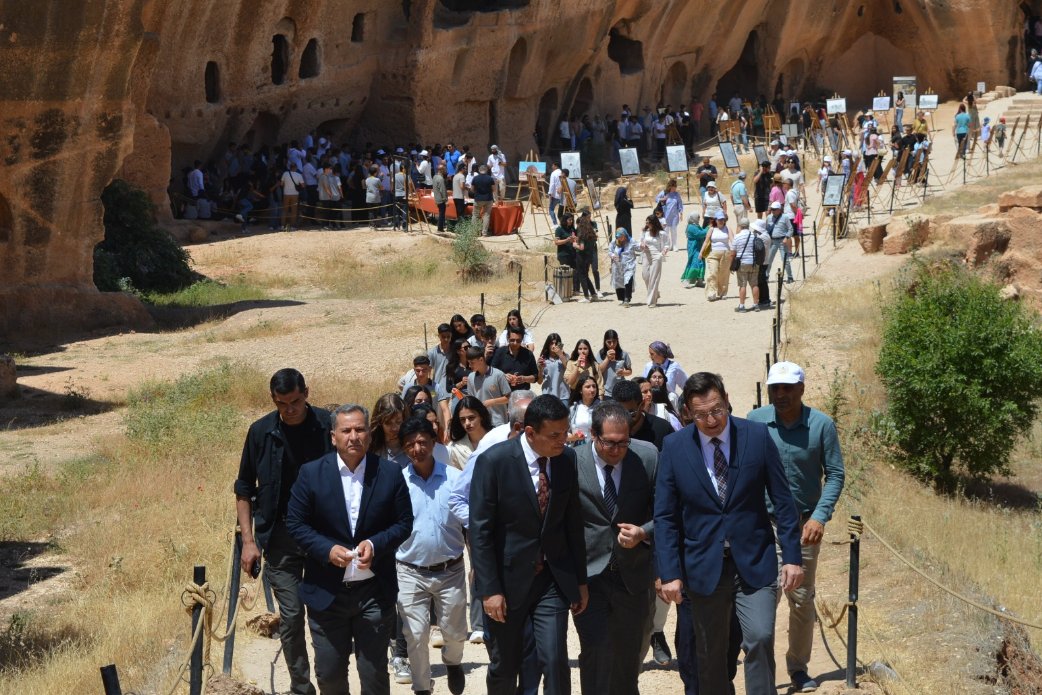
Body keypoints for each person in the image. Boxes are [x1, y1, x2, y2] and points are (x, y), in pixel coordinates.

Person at [654, 372, 804, 695]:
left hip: (755, 560)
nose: (711, 420)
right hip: (703, 567)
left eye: (717, 410)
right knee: (710, 654)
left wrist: (793, 557)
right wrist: (669, 573)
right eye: (701, 415)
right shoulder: (675, 447)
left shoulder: (756, 437)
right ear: (687, 413)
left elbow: (783, 501)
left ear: (726, 399)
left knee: (760, 637)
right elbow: (665, 517)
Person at [285, 403, 414, 695]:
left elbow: (404, 523)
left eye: (359, 429)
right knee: (329, 675)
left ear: (369, 433)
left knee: (374, 675)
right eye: (346, 430)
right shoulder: (311, 474)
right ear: (334, 437)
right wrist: (326, 549)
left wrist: (375, 544)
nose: (353, 436)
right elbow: (295, 523)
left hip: (374, 592)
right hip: (326, 593)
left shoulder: (390, 473)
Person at [470, 395, 589, 695]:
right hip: (506, 583)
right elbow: (480, 532)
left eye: (565, 432)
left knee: (555, 661)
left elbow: (572, 523)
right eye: (555, 435)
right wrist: (490, 590)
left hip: (551, 580)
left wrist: (580, 580)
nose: (563, 440)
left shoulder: (567, 459)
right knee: (505, 666)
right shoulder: (494, 462)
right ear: (530, 432)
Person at [747, 362, 845, 693]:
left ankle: (798, 668)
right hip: (763, 525)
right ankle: (761, 669)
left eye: (788, 388)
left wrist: (820, 516)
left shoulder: (821, 425)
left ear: (801, 389)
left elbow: (835, 474)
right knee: (765, 595)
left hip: (804, 527)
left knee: (801, 599)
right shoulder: (756, 421)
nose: (781, 394)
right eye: (775, 388)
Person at [234, 369, 332, 695]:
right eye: (282, 404)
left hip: (322, 538)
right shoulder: (260, 432)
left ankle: (332, 684)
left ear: (307, 393)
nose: (290, 409)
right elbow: (244, 488)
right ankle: (302, 688)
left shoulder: (328, 426)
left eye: (295, 401)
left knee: (324, 615)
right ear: (272, 400)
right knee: (290, 616)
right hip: (279, 538)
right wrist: (249, 541)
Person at [572, 402, 658, 695]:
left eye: (623, 442)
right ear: (593, 435)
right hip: (589, 577)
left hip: (632, 575)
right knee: (595, 651)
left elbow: (667, 512)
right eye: (609, 442)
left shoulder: (647, 458)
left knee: (628, 654)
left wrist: (644, 532)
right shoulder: (572, 461)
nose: (616, 450)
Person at [395, 417, 468, 695]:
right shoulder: (397, 483)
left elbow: (471, 524)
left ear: (434, 442)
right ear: (404, 448)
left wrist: (478, 563)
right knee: (414, 635)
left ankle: (453, 662)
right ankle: (422, 687)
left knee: (455, 632)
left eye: (422, 442)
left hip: (451, 570)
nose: (417, 449)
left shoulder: (456, 479)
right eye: (410, 444)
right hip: (409, 570)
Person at [465, 346, 511, 427]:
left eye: (472, 362)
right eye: (468, 362)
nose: (469, 365)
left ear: (481, 360)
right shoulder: (470, 377)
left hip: (498, 422)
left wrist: (492, 402)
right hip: (480, 424)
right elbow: (471, 400)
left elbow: (509, 398)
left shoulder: (498, 375)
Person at [447, 396, 492, 471]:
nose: (467, 423)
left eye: (471, 418)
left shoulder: (498, 437)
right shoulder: (455, 447)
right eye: (462, 419)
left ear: (481, 416)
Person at [491, 325, 540, 392]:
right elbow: (492, 372)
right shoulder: (500, 352)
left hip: (523, 393)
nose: (515, 343)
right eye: (512, 340)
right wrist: (503, 376)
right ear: (508, 338)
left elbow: (535, 377)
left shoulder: (528, 354)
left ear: (522, 339)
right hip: (503, 393)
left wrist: (524, 379)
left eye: (518, 341)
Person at [370, 393, 410, 468]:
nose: (394, 428)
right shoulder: (370, 448)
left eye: (398, 422)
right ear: (380, 423)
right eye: (388, 423)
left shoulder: (413, 446)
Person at [701, 210, 733, 302]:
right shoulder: (711, 229)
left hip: (726, 254)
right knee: (713, 273)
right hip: (713, 254)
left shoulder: (727, 228)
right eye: (719, 219)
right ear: (715, 220)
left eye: (722, 219)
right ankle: (711, 293)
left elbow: (732, 240)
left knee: (724, 274)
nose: (721, 221)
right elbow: (706, 241)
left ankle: (722, 293)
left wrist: (735, 252)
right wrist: (701, 253)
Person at [730, 220, 761, 313]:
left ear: (740, 226)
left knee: (742, 285)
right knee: (754, 284)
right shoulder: (754, 236)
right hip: (754, 262)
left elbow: (732, 253)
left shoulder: (737, 237)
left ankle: (742, 306)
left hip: (742, 263)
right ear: (748, 226)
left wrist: (731, 265)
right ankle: (756, 305)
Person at [638, 214, 668, 308]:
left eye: (649, 223)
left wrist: (662, 253)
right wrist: (641, 244)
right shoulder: (644, 232)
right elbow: (639, 241)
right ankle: (655, 293)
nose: (647, 224)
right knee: (645, 276)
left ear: (654, 223)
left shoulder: (661, 233)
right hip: (646, 254)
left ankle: (652, 301)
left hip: (656, 255)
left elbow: (667, 244)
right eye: (646, 222)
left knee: (654, 278)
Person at [764, 201, 795, 285]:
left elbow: (791, 229)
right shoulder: (769, 217)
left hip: (782, 242)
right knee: (768, 260)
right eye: (772, 209)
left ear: (779, 210)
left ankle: (790, 277)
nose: (772, 211)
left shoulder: (785, 217)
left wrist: (786, 237)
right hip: (772, 241)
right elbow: (766, 229)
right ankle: (766, 276)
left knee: (785, 260)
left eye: (774, 209)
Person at [574, 210, 601, 302]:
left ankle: (586, 296)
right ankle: (593, 294)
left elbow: (581, 247)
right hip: (589, 256)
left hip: (582, 257)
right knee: (585, 275)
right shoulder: (591, 233)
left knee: (582, 276)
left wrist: (575, 244)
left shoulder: (582, 233)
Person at [597, 329, 632, 397]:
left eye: (614, 341)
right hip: (606, 392)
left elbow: (630, 371)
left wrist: (623, 372)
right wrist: (607, 358)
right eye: (609, 342)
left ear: (617, 341)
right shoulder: (601, 354)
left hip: (621, 390)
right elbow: (599, 371)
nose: (612, 345)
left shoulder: (623, 354)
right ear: (605, 341)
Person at [567, 374, 601, 445]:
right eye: (588, 387)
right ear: (580, 390)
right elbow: (565, 433)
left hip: (597, 446)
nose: (592, 390)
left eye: (594, 386)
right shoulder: (574, 408)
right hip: (578, 446)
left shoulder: (602, 407)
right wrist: (573, 437)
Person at [538, 333, 570, 405]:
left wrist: (560, 354)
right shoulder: (543, 359)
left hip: (563, 396)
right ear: (548, 345)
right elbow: (539, 381)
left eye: (556, 343)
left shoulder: (565, 356)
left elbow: (569, 371)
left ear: (559, 345)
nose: (554, 346)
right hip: (548, 396)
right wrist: (540, 369)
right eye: (551, 343)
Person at [608, 227, 637, 306]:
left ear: (625, 235)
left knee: (628, 280)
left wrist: (642, 246)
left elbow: (638, 248)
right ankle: (623, 299)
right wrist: (613, 255)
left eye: (621, 236)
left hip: (629, 265)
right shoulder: (614, 242)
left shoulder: (631, 241)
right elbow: (610, 251)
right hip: (618, 267)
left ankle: (627, 298)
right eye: (618, 237)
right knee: (619, 283)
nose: (620, 238)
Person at [655, 179, 684, 251]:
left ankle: (674, 245)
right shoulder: (664, 193)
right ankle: (666, 246)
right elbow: (656, 199)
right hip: (665, 216)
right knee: (666, 231)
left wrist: (681, 213)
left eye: (675, 187)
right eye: (673, 187)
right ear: (670, 186)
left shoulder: (676, 194)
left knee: (674, 231)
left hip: (674, 216)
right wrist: (663, 199)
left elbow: (680, 203)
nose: (675, 188)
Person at [681, 213, 707, 289]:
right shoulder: (691, 227)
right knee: (695, 262)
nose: (699, 219)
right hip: (694, 247)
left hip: (699, 247)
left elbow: (702, 231)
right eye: (697, 217)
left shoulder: (696, 225)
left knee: (701, 262)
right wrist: (708, 228)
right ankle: (687, 280)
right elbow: (700, 234)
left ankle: (699, 280)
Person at [470, 165, 496, 235]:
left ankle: (474, 232)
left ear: (479, 170)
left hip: (478, 199)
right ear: (486, 170)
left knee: (475, 215)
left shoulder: (475, 178)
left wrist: (477, 192)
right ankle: (484, 232)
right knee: (486, 215)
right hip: (488, 199)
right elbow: (494, 189)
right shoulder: (490, 178)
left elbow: (472, 189)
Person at [281, 162, 305, 230]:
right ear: (296, 168)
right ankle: (292, 226)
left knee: (284, 210)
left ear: (290, 167)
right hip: (295, 194)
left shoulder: (285, 174)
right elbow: (303, 185)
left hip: (286, 194)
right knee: (294, 211)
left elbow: (282, 184)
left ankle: (282, 226)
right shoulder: (299, 175)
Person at [432, 164, 449, 232]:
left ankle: (440, 227)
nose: (445, 170)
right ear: (441, 170)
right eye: (444, 169)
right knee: (442, 214)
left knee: (440, 213)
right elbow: (443, 190)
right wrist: (445, 200)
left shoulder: (434, 177)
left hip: (436, 197)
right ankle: (440, 228)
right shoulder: (441, 179)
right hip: (441, 199)